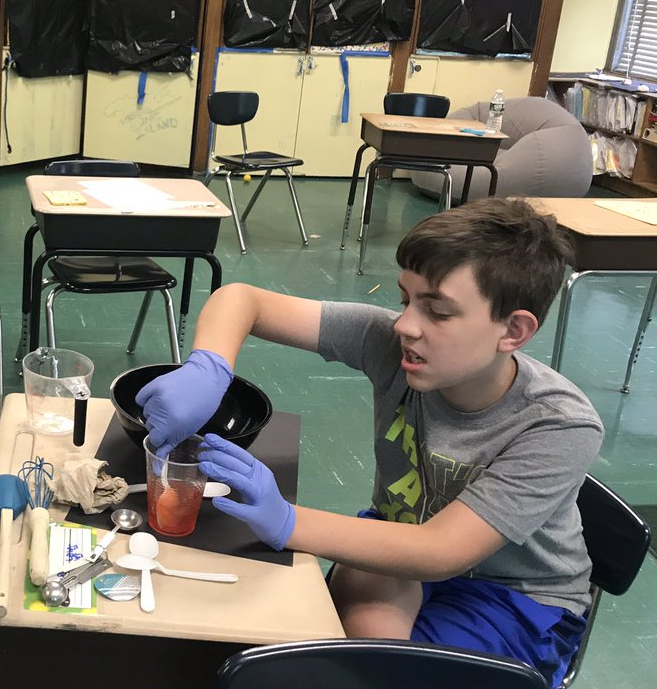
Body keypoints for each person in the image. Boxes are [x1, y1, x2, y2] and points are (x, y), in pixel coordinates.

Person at [138, 198, 602, 687]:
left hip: (513, 596)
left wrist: (287, 520)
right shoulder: (393, 345)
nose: (405, 325)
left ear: (514, 329)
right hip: (398, 544)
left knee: (374, 673)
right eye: (406, 299)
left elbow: (442, 549)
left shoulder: (559, 424)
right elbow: (242, 300)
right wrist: (208, 365)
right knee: (354, 660)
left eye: (437, 311)